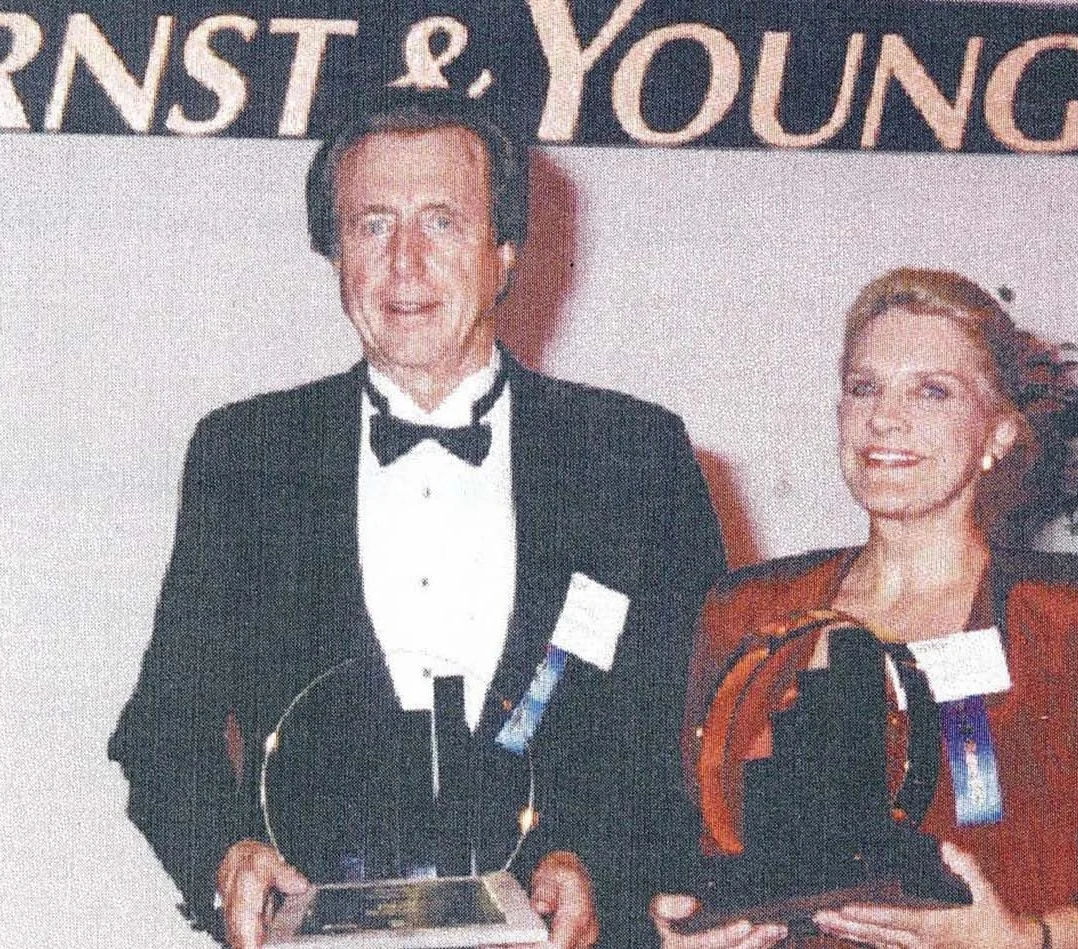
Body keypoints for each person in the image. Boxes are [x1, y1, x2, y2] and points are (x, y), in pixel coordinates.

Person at [107, 90, 726, 948]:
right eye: (370, 225)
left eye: (441, 222)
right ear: (334, 257)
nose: (404, 263)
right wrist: (224, 859)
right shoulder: (246, 455)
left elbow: (699, 734)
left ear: (504, 252)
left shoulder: (633, 457)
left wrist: (607, 871)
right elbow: (161, 733)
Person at [650, 269, 1078, 949]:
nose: (885, 417)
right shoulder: (748, 612)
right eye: (865, 387)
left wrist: (1026, 939)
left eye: (932, 390)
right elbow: (688, 844)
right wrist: (677, 924)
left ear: (998, 433)